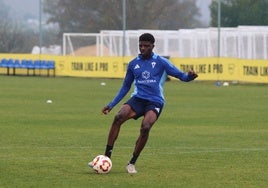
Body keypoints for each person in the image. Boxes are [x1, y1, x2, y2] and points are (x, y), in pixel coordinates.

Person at [89, 33, 198, 174]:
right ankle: (106, 158)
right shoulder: (133, 64)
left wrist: (190, 77)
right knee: (118, 118)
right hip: (138, 99)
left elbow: (181, 76)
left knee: (145, 127)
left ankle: (132, 163)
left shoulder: (161, 62)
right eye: (140, 45)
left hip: (155, 100)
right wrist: (111, 104)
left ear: (153, 46)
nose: (142, 48)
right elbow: (125, 86)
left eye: (146, 46)